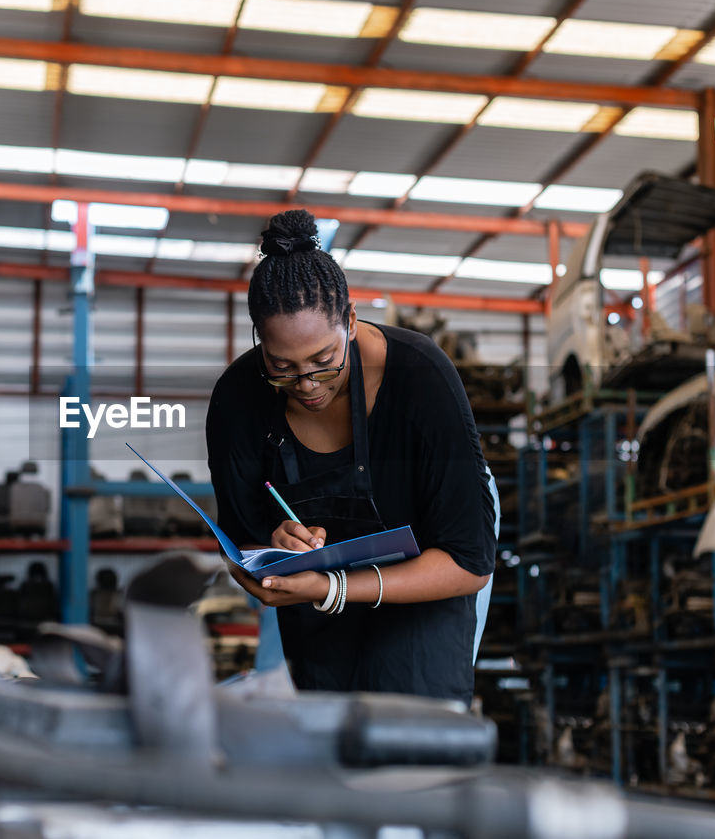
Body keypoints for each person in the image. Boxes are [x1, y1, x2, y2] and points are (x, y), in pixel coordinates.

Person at [205, 209, 497, 704]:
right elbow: (240, 551)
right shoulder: (238, 399)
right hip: (315, 591)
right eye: (283, 368)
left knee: (412, 714)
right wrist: (272, 553)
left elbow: (469, 561)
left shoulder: (420, 377)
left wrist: (334, 587)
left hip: (431, 569)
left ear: (352, 321)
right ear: (259, 341)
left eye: (324, 362)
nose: (308, 385)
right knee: (325, 718)